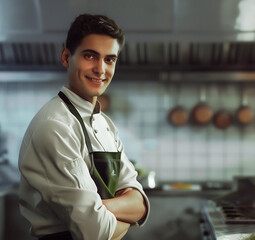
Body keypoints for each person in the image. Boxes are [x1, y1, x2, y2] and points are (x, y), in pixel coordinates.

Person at [18, 14, 149, 240]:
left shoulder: (105, 125)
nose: (100, 69)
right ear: (66, 57)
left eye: (110, 59)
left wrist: (99, 208)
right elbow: (95, 232)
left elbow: (141, 205)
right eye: (90, 56)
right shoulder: (55, 126)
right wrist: (123, 217)